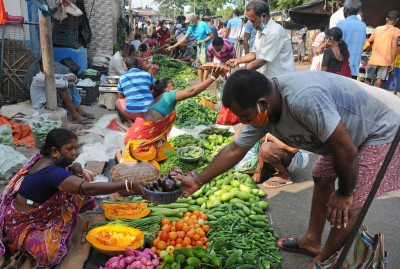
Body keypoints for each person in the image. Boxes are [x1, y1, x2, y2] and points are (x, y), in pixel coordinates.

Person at [174, 69, 400, 267]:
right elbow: (235, 150)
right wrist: (198, 180)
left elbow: (346, 151)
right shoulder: (262, 112)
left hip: (382, 128)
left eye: (245, 116)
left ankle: (324, 262)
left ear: (263, 103)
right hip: (345, 135)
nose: (244, 121)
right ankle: (312, 240)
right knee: (321, 176)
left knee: (351, 206)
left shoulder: (304, 100)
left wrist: (344, 193)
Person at [0, 128, 145, 267]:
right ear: (55, 151)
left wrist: (77, 168)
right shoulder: (51, 173)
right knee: (49, 254)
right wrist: (128, 184)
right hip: (23, 223)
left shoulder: (43, 157)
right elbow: (89, 188)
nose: (74, 153)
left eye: (75, 148)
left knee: (83, 179)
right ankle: (58, 224)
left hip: (39, 210)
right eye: (70, 149)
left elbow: (79, 180)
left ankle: (67, 213)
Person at [117, 67, 224, 164]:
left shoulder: (158, 99)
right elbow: (192, 91)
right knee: (146, 168)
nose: (175, 87)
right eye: (172, 85)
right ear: (165, 88)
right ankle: (119, 156)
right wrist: (213, 77)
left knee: (169, 153)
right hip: (140, 140)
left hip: (139, 134)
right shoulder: (169, 95)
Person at [227, 0, 295, 78]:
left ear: (264, 16)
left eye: (253, 21)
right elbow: (254, 53)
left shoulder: (275, 32)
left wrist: (241, 71)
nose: (251, 24)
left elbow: (262, 60)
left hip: (282, 78)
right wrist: (238, 60)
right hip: (269, 79)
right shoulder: (260, 30)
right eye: (249, 21)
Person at [30, 59, 94, 124]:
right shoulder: (40, 78)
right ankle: (76, 115)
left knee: (67, 85)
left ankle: (79, 111)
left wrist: (66, 79)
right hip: (42, 105)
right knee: (63, 89)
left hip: (50, 100)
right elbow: (65, 84)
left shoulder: (50, 75)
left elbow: (74, 77)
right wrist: (67, 81)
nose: (54, 67)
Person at [115, 57, 155, 126]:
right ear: (139, 66)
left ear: (126, 68)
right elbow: (156, 87)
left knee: (117, 102)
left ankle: (130, 121)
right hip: (149, 112)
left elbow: (120, 97)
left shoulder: (122, 77)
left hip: (133, 114)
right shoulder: (148, 75)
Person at [365, 10, 400, 88]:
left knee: (368, 79)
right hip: (386, 61)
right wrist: (392, 62)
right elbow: (394, 46)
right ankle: (376, 96)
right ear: (397, 20)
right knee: (379, 81)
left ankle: (367, 95)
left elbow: (370, 41)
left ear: (386, 19)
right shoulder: (396, 31)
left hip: (373, 59)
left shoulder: (377, 29)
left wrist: (373, 47)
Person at [337, 0, 366, 79]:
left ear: (345, 9)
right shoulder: (363, 26)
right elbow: (363, 44)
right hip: (355, 68)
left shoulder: (341, 24)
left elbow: (336, 45)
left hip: (341, 68)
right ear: (358, 10)